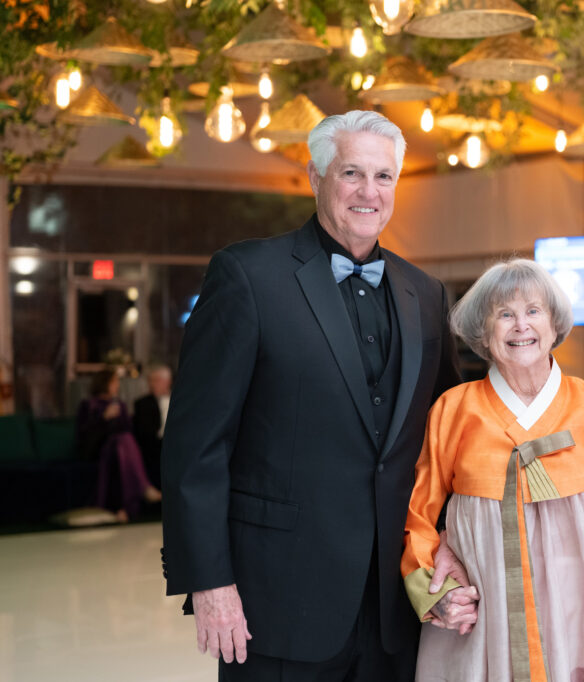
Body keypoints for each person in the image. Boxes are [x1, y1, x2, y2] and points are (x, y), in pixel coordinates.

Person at [161, 111, 463, 680]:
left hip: (397, 604)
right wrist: (209, 580)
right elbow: (195, 446)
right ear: (315, 176)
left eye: (384, 176)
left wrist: (449, 548)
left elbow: (445, 441)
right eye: (352, 173)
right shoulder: (247, 275)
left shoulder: (425, 292)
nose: (369, 192)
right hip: (274, 599)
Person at [403, 258, 584, 682]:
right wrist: (436, 591)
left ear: (554, 323)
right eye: (504, 314)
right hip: (483, 631)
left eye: (533, 311)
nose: (520, 326)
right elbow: (417, 514)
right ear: (484, 333)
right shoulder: (453, 411)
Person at [75, 368, 161, 522]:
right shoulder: (89, 404)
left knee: (123, 443)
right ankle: (141, 490)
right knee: (122, 442)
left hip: (120, 450)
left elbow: (127, 429)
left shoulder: (119, 404)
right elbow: (84, 434)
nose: (117, 386)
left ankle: (125, 509)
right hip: (98, 447)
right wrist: (103, 418)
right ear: (104, 383)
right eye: (114, 382)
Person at [133, 364, 172, 489]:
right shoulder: (142, 403)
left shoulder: (179, 400)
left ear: (167, 381)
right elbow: (144, 432)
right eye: (150, 380)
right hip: (155, 446)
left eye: (156, 380)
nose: (151, 384)